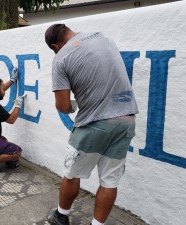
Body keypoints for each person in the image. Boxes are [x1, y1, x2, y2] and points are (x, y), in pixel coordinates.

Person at [44, 24, 139, 225]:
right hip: (126, 120)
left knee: (71, 174)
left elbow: (62, 106)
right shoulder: (102, 36)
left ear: (55, 45)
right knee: (109, 180)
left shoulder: (61, 58)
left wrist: (72, 107)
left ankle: (61, 216)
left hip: (94, 123)